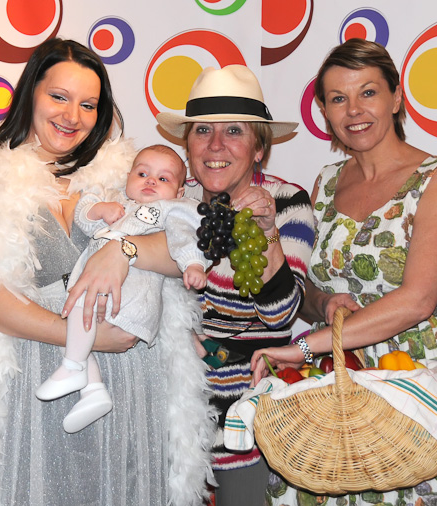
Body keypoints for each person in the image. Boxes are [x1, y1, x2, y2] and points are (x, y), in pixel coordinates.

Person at [0, 39, 215, 506]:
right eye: (59, 97)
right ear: (31, 92)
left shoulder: (123, 174)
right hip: (36, 372)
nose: (73, 116)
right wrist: (85, 336)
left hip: (132, 374)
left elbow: (184, 251)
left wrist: (123, 251)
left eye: (88, 104)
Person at [251, 38, 437, 506]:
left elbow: (418, 300)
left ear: (396, 98)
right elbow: (311, 288)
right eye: (338, 98)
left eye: (368, 92)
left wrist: (305, 346)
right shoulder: (325, 182)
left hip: (416, 379)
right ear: (324, 111)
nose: (354, 110)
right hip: (338, 377)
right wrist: (323, 302)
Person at [156, 65, 314, 506]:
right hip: (164, 409)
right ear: (187, 144)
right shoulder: (169, 197)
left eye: (234, 131)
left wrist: (266, 233)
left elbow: (281, 317)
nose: (215, 145)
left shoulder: (287, 202)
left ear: (259, 148)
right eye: (202, 130)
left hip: (244, 421)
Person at [36, 144, 209, 433]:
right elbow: (85, 219)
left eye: (163, 178)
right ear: (128, 178)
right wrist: (99, 209)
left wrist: (194, 265)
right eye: (142, 174)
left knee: (80, 317)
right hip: (97, 288)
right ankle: (92, 391)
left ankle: (73, 367)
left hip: (131, 295)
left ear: (180, 192)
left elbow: (184, 240)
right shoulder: (118, 202)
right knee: (77, 322)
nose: (151, 181)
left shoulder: (171, 210)